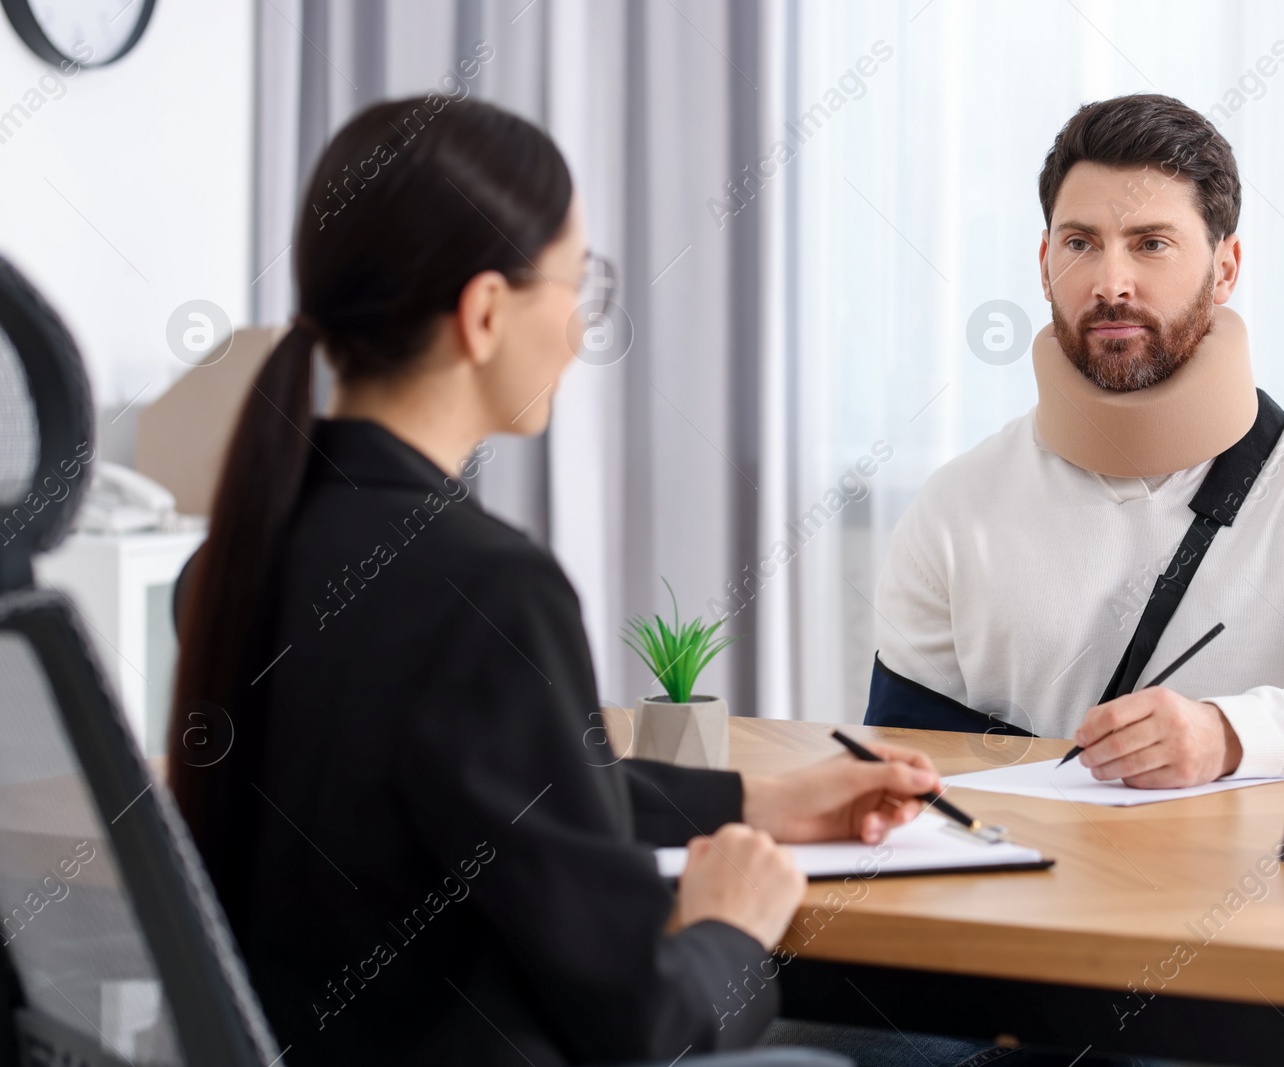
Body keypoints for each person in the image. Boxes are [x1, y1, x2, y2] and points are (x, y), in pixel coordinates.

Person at [169, 96, 952, 1067]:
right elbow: (643, 1023)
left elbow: (505, 795)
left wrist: (756, 798)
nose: (583, 330)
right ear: (487, 310)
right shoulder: (488, 585)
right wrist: (733, 929)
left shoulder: (243, 552)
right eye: (578, 285)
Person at [865, 93, 1284, 786]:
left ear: (1226, 268)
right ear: (1044, 262)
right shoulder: (955, 507)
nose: (1110, 283)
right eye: (1080, 243)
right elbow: (903, 758)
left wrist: (1227, 734)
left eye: (1151, 243)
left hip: (1256, 885)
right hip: (1025, 885)